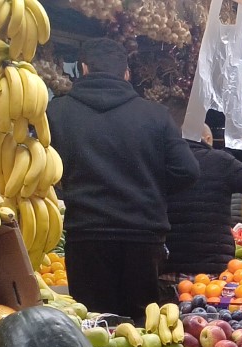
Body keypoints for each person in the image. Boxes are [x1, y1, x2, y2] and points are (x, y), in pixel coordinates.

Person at [47, 38, 199, 321]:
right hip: (143, 236)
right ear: (126, 73)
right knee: (144, 328)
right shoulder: (155, 115)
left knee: (93, 326)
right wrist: (151, 188)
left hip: (87, 236)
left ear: (83, 69)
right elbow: (188, 171)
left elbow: (44, 169)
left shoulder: (55, 112)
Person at [161, 104, 242, 296]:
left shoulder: (158, 161)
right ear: (207, 139)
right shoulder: (220, 161)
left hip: (165, 268)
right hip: (211, 273)